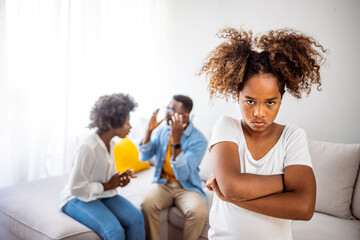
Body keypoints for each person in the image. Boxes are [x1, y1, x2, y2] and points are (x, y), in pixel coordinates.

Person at [199, 28, 327, 239]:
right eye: (250, 101)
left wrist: (233, 198)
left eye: (270, 102)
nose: (259, 113)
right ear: (236, 95)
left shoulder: (292, 137)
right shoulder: (227, 127)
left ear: (281, 98)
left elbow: (304, 208)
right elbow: (231, 186)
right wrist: (286, 182)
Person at [60, 93, 145, 240]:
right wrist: (108, 185)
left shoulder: (111, 144)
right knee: (115, 232)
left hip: (102, 195)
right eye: (127, 123)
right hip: (76, 198)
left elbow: (105, 179)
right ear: (114, 123)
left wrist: (118, 180)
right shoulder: (88, 147)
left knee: (137, 218)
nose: (130, 127)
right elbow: (76, 188)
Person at [139, 95, 208, 240]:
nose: (167, 112)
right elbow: (144, 157)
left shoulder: (199, 139)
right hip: (163, 183)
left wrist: (176, 140)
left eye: (171, 110)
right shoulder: (163, 131)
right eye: (168, 108)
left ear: (185, 116)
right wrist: (148, 132)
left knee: (198, 213)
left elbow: (182, 175)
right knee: (148, 205)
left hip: (187, 186)